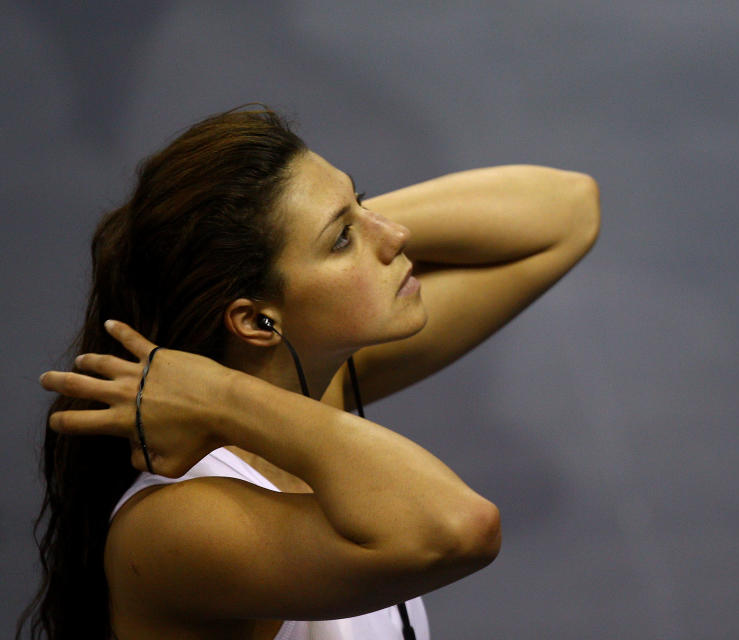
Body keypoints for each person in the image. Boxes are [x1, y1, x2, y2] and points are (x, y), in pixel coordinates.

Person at [21, 107, 600, 640]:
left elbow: (567, 211)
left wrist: (326, 218)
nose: (395, 235)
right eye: (344, 240)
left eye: (363, 203)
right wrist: (222, 397)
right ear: (255, 321)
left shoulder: (316, 387)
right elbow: (459, 529)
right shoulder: (178, 521)